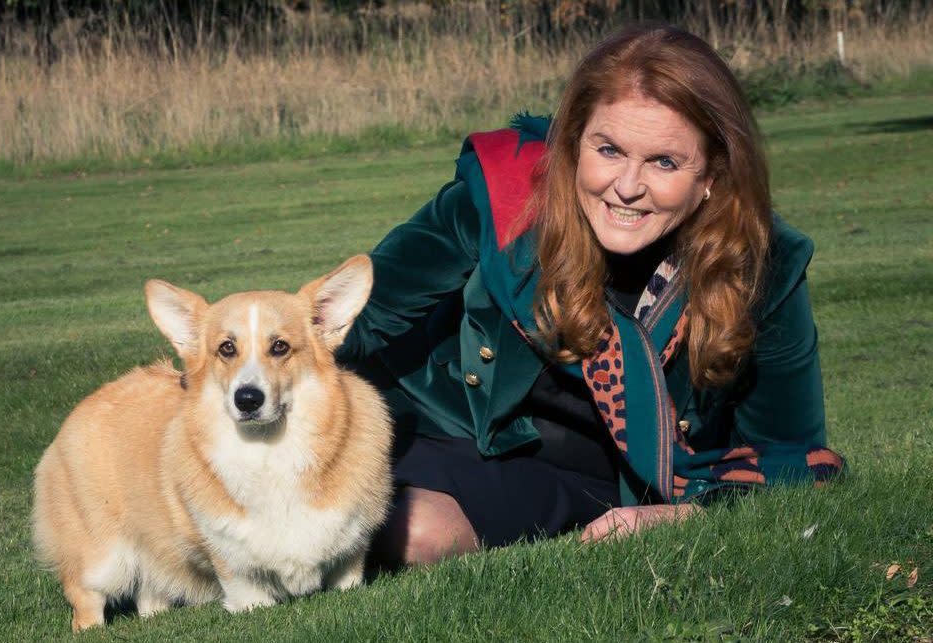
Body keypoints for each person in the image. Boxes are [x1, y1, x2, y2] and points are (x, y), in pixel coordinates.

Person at [336, 24, 845, 567]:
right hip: (443, 428)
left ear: (713, 175)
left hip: (596, 477)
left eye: (664, 162)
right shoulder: (503, 199)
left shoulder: (764, 262)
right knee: (347, 513)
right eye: (608, 149)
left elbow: (793, 457)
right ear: (573, 143)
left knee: (417, 533)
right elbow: (356, 323)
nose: (626, 186)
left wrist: (685, 513)